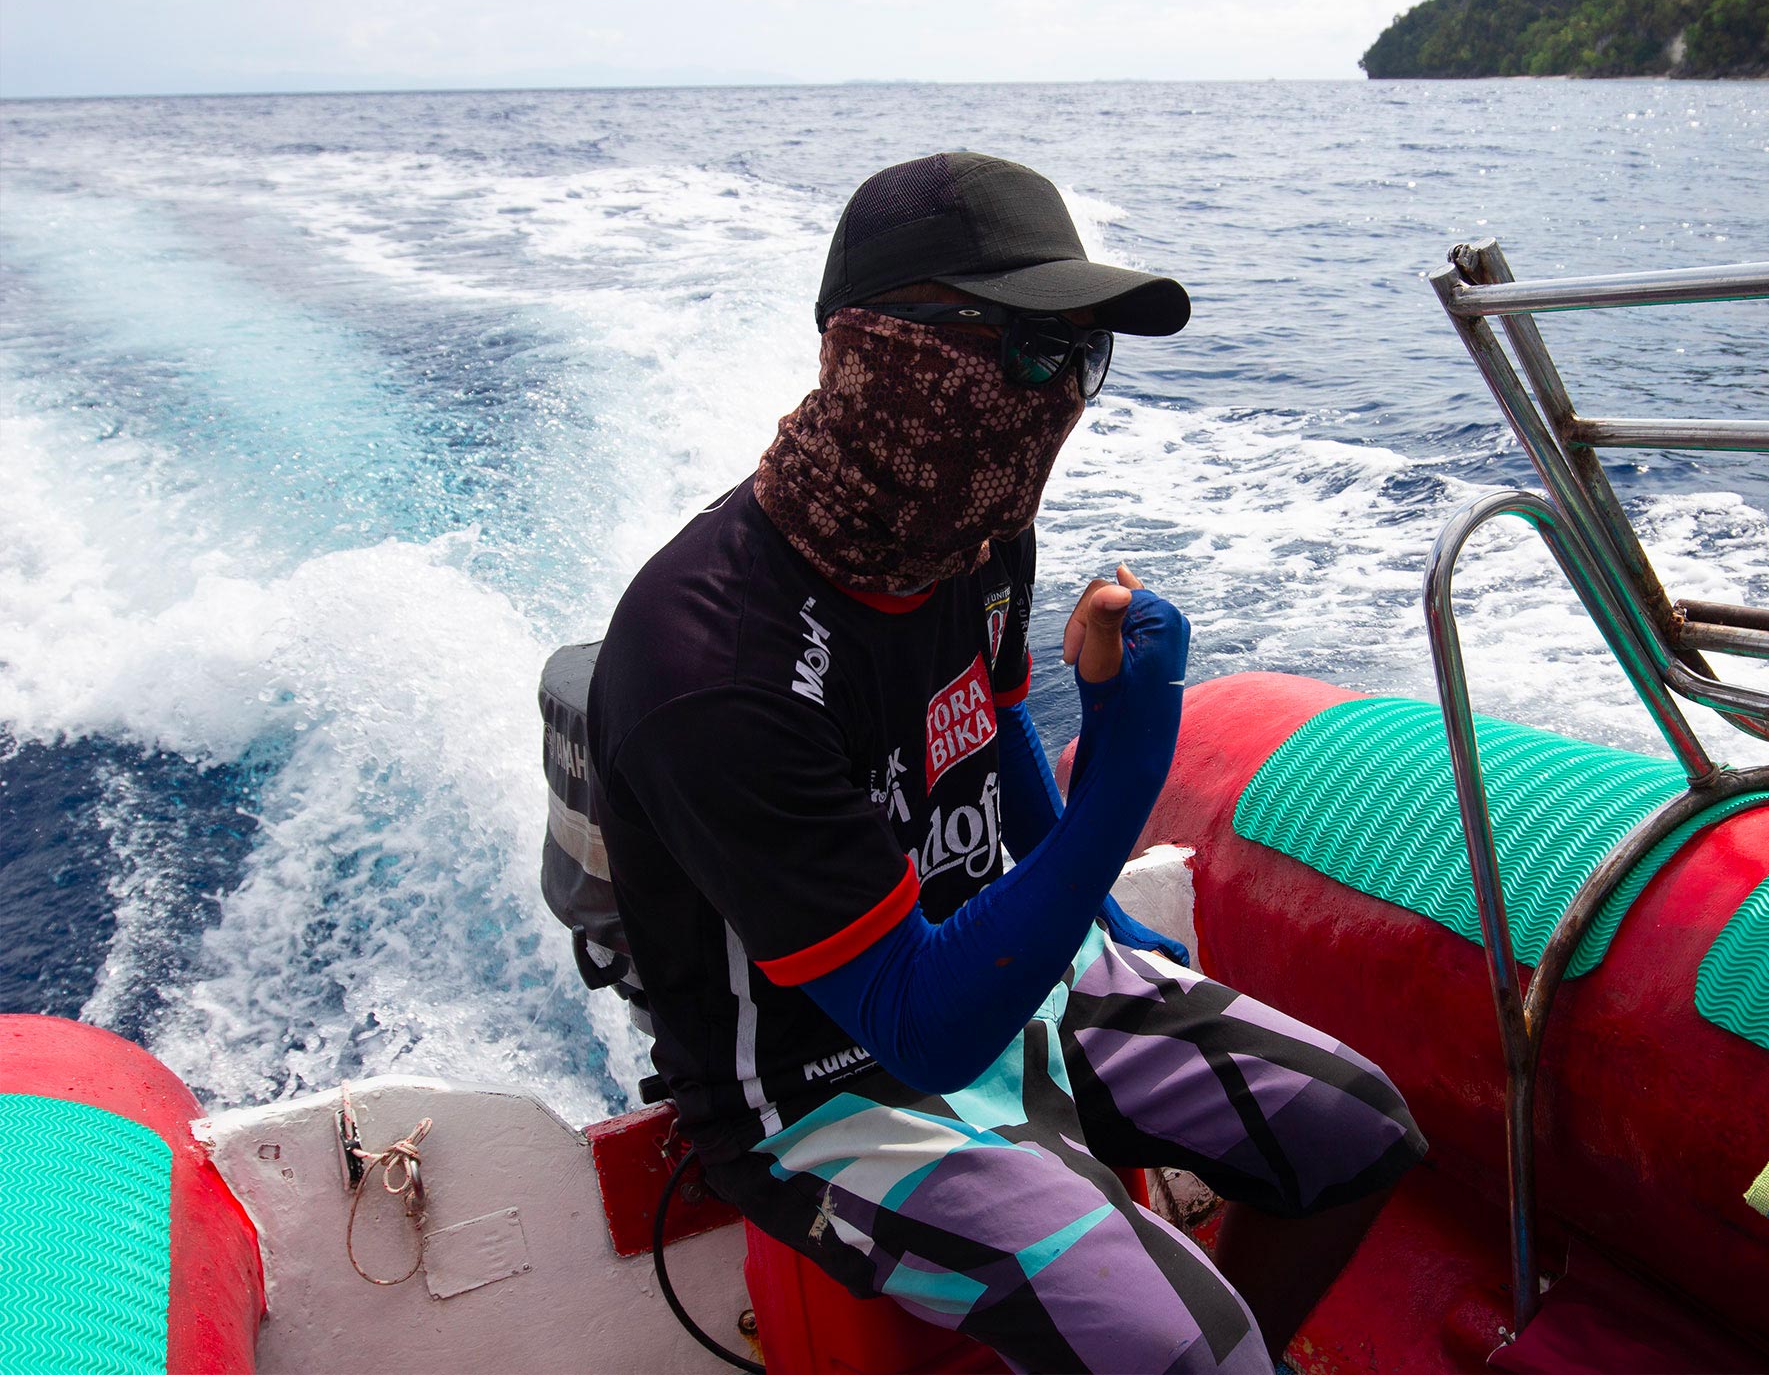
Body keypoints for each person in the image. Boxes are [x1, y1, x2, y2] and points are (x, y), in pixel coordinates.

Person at [587, 152, 1425, 1374]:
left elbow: (988, 728)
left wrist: (1103, 920)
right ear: (886, 356)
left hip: (998, 961)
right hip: (824, 1083)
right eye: (1033, 349)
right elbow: (918, 1033)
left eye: (1085, 356)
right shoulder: (712, 668)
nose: (1062, 397)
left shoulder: (976, 524)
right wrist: (1127, 770)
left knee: (1360, 1132)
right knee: (1195, 1349)